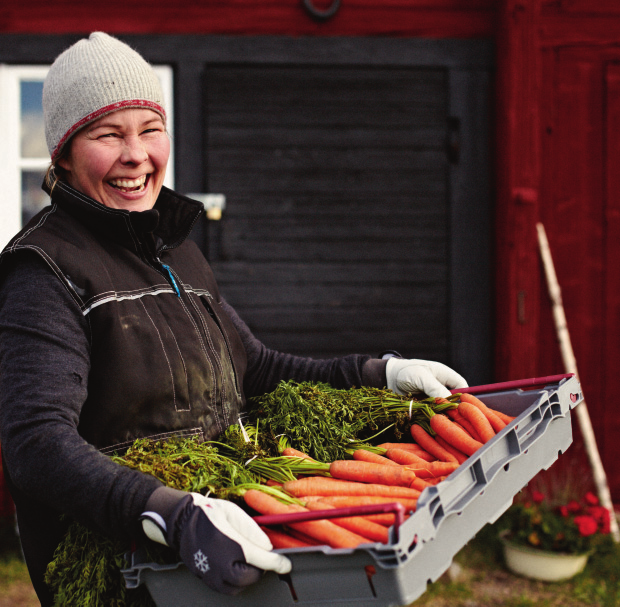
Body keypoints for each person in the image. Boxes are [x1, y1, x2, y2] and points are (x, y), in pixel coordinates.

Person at [0, 32, 468, 605]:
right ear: (64, 156)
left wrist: (379, 373)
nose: (136, 155)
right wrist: (166, 512)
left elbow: (257, 367)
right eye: (108, 135)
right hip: (127, 575)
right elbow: (35, 441)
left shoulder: (176, 252)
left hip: (225, 545)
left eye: (150, 129)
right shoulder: (44, 270)